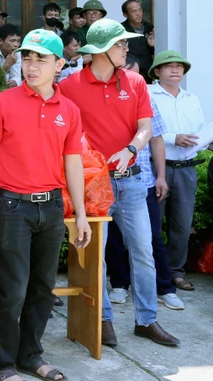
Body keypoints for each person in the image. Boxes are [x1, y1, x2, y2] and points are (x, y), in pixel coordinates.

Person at [0, 30, 91, 381]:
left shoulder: (69, 110)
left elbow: (73, 162)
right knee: (13, 288)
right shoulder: (2, 103)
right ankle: (1, 364)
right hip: (12, 206)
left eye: (41, 59)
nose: (31, 66)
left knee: (43, 288)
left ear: (60, 64)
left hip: (53, 207)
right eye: (27, 58)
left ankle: (30, 355)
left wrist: (82, 213)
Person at [60, 19, 179, 347]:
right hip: (92, 186)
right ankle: (103, 318)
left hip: (131, 182)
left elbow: (145, 127)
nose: (127, 48)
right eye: (120, 44)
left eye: (126, 44)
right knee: (94, 255)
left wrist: (131, 149)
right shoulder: (70, 87)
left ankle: (147, 320)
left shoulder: (136, 82)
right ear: (100, 50)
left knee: (143, 250)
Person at [106, 55, 180, 310]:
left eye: (136, 74)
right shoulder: (103, 97)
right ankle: (119, 284)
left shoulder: (143, 97)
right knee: (114, 238)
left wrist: (160, 176)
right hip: (108, 179)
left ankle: (164, 288)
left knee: (150, 240)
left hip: (142, 178)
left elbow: (156, 138)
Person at [149, 50, 206, 293]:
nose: (175, 70)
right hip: (157, 167)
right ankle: (150, 273)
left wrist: (207, 140)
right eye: (169, 66)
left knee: (182, 225)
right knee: (152, 223)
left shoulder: (191, 98)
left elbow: (201, 129)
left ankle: (175, 272)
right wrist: (174, 138)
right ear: (157, 71)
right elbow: (145, 129)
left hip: (186, 169)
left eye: (179, 67)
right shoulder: (149, 95)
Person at [121, 0, 155, 74]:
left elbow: (155, 52)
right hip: (129, 70)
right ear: (125, 14)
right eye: (134, 11)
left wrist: (152, 46)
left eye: (140, 10)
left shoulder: (149, 28)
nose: (138, 14)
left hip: (148, 71)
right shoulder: (121, 30)